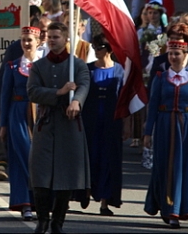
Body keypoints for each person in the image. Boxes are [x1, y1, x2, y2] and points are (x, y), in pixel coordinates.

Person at [27, 21, 91, 234]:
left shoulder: (77, 65)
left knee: (66, 176)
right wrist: (59, 93)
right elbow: (32, 91)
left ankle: (58, 223)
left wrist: (76, 101)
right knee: (41, 175)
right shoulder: (38, 66)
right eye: (50, 37)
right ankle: (42, 220)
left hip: (69, 125)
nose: (52, 40)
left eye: (56, 37)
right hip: (45, 123)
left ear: (65, 39)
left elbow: (83, 85)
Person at [143, 39, 188, 228]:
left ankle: (181, 209)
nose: (173, 57)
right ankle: (167, 208)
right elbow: (152, 106)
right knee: (164, 165)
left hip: (186, 126)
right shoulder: (161, 78)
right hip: (164, 124)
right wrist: (147, 132)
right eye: (170, 54)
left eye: (177, 54)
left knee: (183, 167)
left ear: (185, 55)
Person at [79, 34, 124, 216]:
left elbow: (123, 98)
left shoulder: (119, 70)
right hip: (90, 120)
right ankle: (85, 192)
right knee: (90, 156)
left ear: (109, 49)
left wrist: (127, 125)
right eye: (94, 48)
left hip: (111, 121)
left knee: (108, 159)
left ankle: (105, 202)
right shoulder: (87, 69)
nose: (96, 51)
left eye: (100, 48)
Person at [0, 26, 39, 221]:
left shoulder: (44, 65)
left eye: (30, 39)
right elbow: (5, 95)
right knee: (22, 156)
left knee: (40, 158)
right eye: (24, 40)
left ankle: (39, 200)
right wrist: (3, 124)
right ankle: (24, 202)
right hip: (18, 113)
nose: (26, 43)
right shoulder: (13, 66)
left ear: (38, 41)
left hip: (40, 114)